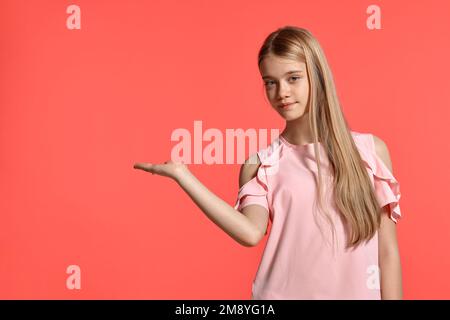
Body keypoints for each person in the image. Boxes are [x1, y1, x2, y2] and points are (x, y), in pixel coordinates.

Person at [133, 26, 403, 300]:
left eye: (293, 78)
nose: (281, 92)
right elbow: (250, 233)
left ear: (317, 76)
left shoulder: (370, 151)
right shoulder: (261, 165)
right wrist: (184, 176)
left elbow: (388, 252)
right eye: (270, 82)